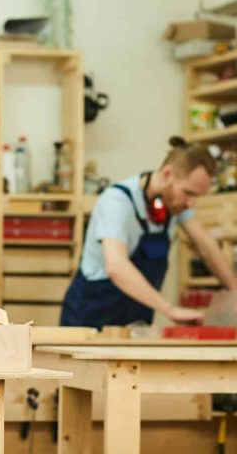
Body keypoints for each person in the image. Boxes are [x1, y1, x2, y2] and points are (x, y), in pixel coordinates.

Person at [61, 136, 236, 329]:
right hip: (90, 319)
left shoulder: (174, 205)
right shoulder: (117, 202)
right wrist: (169, 309)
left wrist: (234, 290)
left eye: (197, 196)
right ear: (167, 174)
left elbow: (206, 245)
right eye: (189, 193)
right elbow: (116, 266)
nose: (191, 204)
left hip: (134, 322)